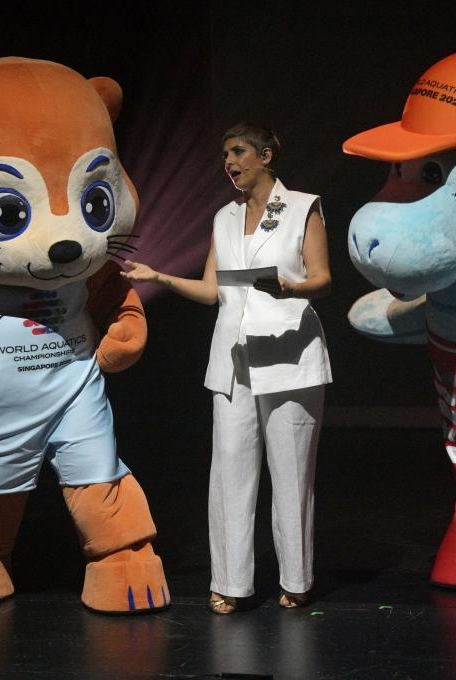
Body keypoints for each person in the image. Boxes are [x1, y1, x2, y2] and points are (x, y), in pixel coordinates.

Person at [121, 122, 332, 614]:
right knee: (230, 472)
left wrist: (290, 288)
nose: (229, 163)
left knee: (291, 472)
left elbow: (322, 279)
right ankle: (232, 582)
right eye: (224, 155)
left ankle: (296, 578)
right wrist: (159, 277)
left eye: (237, 152)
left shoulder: (302, 207)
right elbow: (212, 290)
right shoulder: (224, 217)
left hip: (290, 355)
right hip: (233, 357)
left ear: (264, 155)